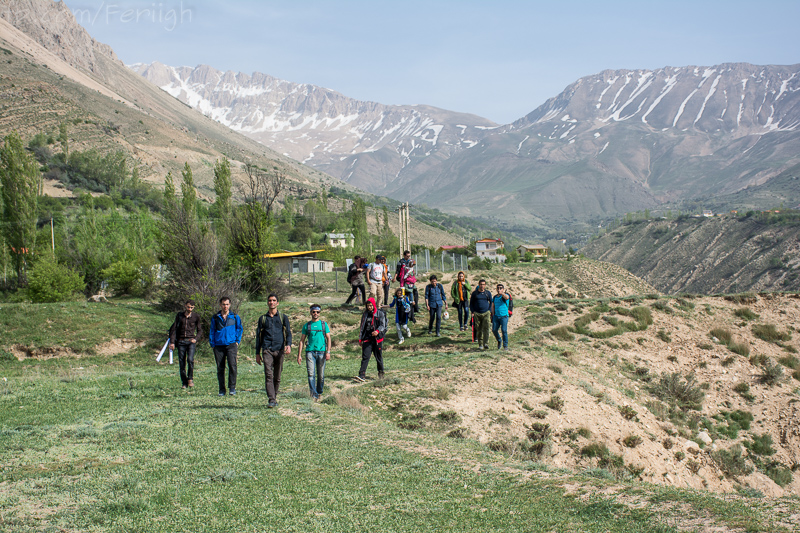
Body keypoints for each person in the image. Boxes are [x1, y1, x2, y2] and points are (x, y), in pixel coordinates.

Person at [256, 294, 292, 408]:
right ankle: (271, 399)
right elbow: (258, 336)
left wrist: (289, 345)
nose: (272, 302)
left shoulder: (283, 317)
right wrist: (257, 353)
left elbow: (288, 333)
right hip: (267, 349)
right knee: (268, 375)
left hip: (280, 349)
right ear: (267, 303)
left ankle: (274, 397)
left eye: (274, 300)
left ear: (278, 303)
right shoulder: (263, 318)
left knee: (277, 376)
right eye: (270, 301)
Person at [209, 297, 242, 396]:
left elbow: (239, 329)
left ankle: (232, 388)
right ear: (220, 305)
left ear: (230, 305)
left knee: (232, 366)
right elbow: (211, 331)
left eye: (227, 304)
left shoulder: (235, 316)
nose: (225, 306)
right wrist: (212, 344)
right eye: (223, 304)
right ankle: (222, 390)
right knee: (220, 368)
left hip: (231, 345)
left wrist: (237, 341)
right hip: (218, 346)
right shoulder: (215, 317)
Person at [297, 304, 331, 402]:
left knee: (321, 375)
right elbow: (301, 341)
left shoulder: (324, 325)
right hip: (310, 352)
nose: (315, 313)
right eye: (313, 312)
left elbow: (329, 338)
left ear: (320, 313)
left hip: (322, 352)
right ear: (310, 312)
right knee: (311, 374)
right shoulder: (307, 325)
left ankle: (319, 391)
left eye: (317, 312)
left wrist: (328, 352)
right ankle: (313, 394)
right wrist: (299, 355)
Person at [169, 299, 202, 389]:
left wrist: (196, 339)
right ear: (185, 306)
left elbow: (199, 330)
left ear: (194, 307)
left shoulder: (196, 316)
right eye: (188, 307)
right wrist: (172, 342)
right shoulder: (180, 316)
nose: (189, 309)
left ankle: (190, 378)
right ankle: (184, 382)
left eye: (191, 307)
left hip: (191, 341)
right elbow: (174, 329)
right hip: (181, 341)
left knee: (190, 360)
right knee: (181, 362)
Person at [355, 297, 387, 382]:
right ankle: (362, 375)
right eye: (368, 306)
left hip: (377, 340)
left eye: (370, 305)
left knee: (378, 357)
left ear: (374, 305)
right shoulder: (365, 314)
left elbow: (383, 325)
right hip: (367, 339)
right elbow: (362, 326)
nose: (369, 307)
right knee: (365, 357)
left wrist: (377, 331)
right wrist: (360, 338)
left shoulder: (380, 313)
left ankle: (381, 373)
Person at [470, 279, 492, 350]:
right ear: (478, 284)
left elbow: (491, 302)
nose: (482, 286)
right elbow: (471, 303)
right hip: (477, 313)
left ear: (485, 285)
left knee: (486, 328)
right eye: (481, 284)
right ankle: (480, 344)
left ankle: (486, 343)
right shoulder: (475, 293)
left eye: (483, 284)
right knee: (479, 329)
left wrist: (489, 310)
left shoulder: (487, 293)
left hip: (486, 313)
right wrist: (472, 311)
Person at [492, 283, 511, 350]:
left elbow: (507, 297)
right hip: (496, 316)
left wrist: (502, 293)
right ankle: (499, 340)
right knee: (494, 330)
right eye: (498, 288)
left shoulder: (505, 295)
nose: (499, 289)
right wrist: (492, 314)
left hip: (504, 316)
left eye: (501, 288)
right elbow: (492, 306)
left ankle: (505, 345)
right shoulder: (494, 297)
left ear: (503, 289)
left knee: (504, 330)